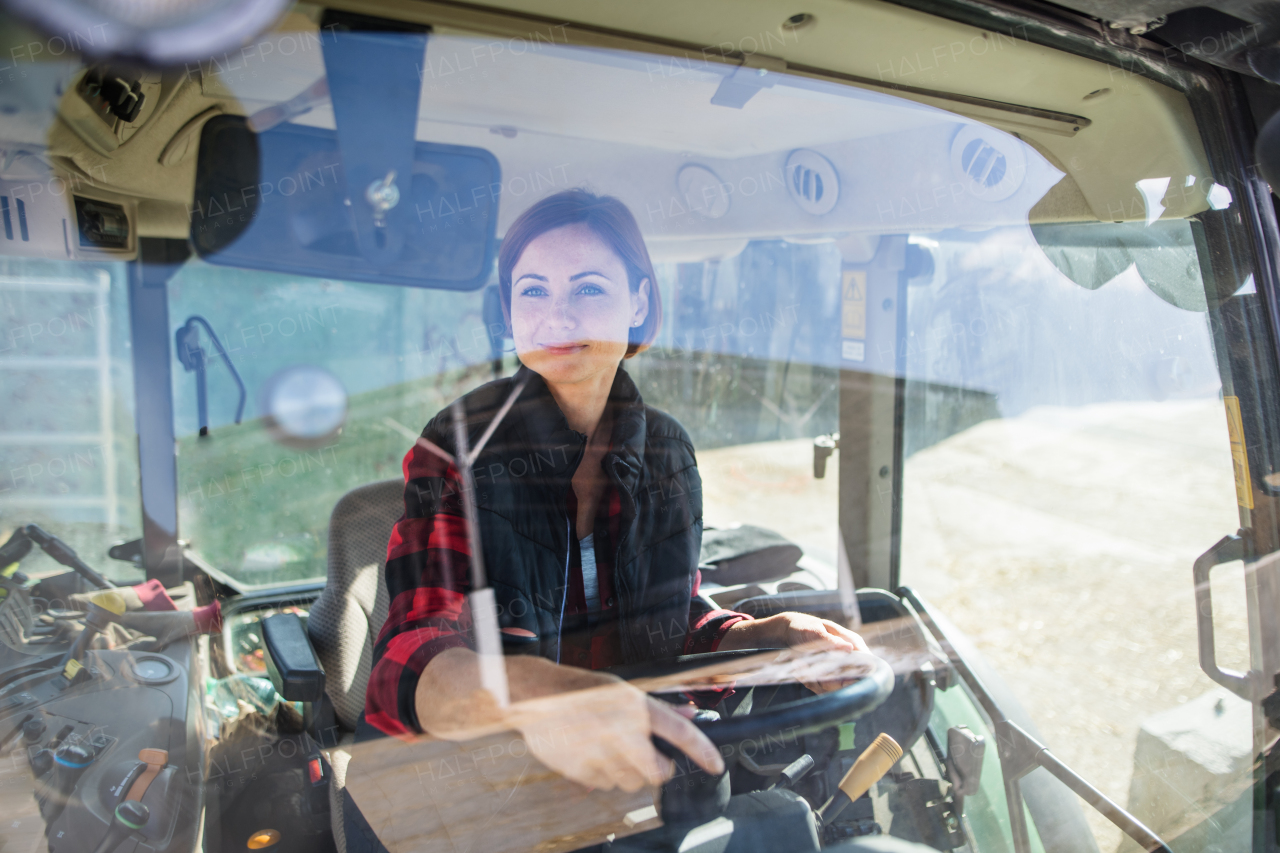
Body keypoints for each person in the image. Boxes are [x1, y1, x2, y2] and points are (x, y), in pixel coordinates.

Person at [364, 189, 868, 794]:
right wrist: (537, 699)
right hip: (491, 782)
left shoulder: (667, 452)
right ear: (509, 309)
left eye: (588, 288)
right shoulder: (459, 443)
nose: (559, 317)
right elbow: (410, 657)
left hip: (646, 768)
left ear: (639, 300)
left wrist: (766, 636)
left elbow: (669, 622)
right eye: (533, 291)